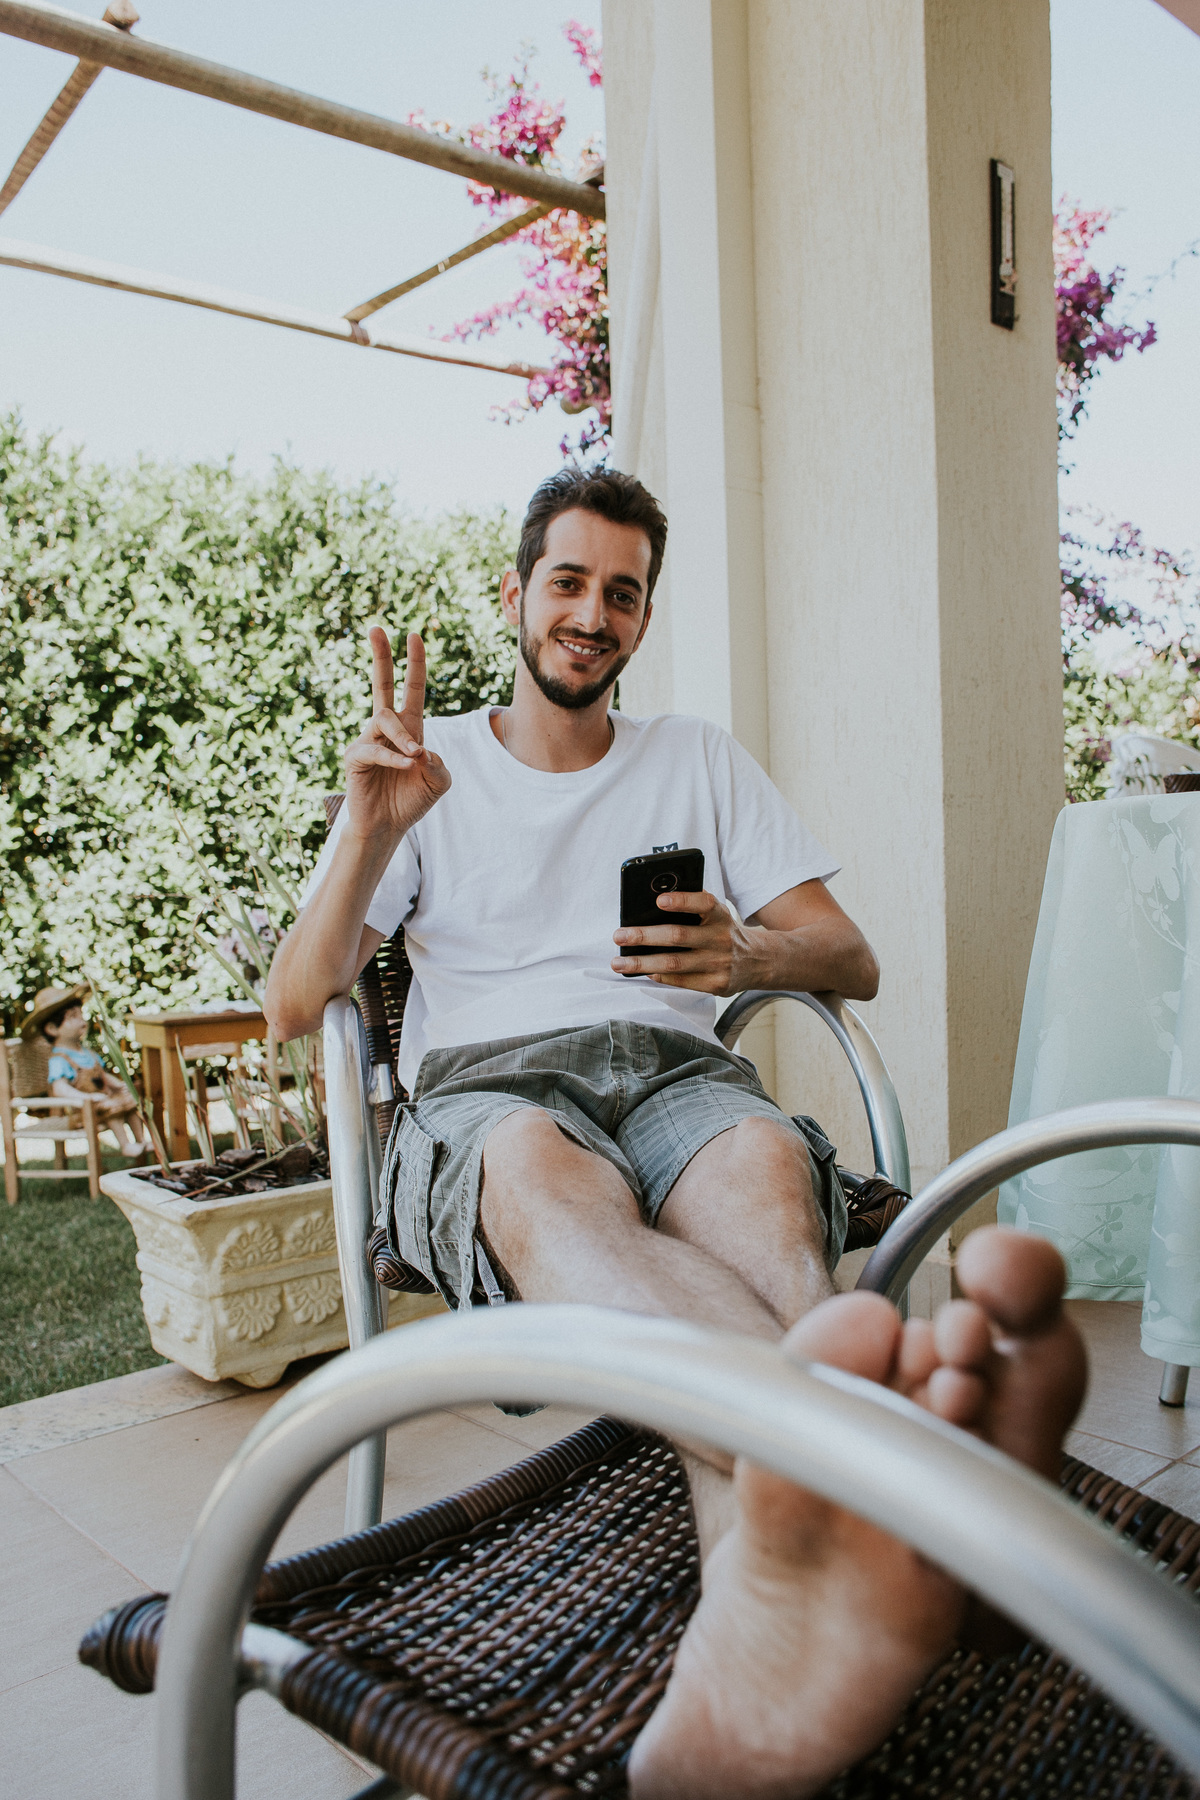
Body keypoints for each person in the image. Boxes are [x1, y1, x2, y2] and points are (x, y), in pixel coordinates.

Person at [265, 467, 1088, 1792]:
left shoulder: (696, 755)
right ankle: (861, 1477)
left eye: (623, 592)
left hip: (673, 1075)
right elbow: (296, 1003)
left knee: (764, 1163)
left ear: (645, 616)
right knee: (541, 1174)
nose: (594, 614)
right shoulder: (428, 773)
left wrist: (746, 948)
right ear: (516, 594)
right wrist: (368, 827)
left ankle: (772, 1596)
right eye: (570, 582)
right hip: (494, 1091)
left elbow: (851, 959)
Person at [25, 983, 146, 1155]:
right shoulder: (59, 1059)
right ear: (52, 1028)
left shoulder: (86, 1053)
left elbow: (102, 1076)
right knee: (112, 1107)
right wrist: (85, 1098)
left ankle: (141, 1140)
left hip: (101, 1102)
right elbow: (60, 1088)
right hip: (82, 1112)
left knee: (130, 1099)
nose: (81, 1020)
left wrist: (119, 1085)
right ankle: (125, 1145)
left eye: (80, 1015)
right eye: (73, 1016)